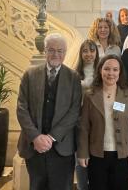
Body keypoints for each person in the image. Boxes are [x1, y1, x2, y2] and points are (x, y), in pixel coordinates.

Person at [16, 33, 82, 190]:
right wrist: (36, 137)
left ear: (65, 53)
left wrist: (51, 137)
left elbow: (74, 111)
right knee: (37, 186)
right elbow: (21, 108)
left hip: (62, 146)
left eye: (60, 51)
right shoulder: (30, 74)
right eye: (51, 50)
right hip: (34, 146)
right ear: (45, 51)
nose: (56, 54)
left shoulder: (73, 77)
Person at [77, 55, 128, 190]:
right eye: (107, 69)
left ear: (120, 72)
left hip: (121, 155)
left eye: (115, 69)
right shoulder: (90, 95)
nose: (111, 73)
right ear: (100, 70)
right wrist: (82, 153)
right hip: (97, 155)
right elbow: (84, 127)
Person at [75, 39, 100, 190]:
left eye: (92, 51)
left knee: (96, 158)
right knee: (81, 158)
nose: (89, 54)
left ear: (96, 53)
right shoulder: (74, 73)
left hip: (98, 121)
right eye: (85, 51)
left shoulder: (102, 71)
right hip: (79, 121)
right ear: (81, 53)